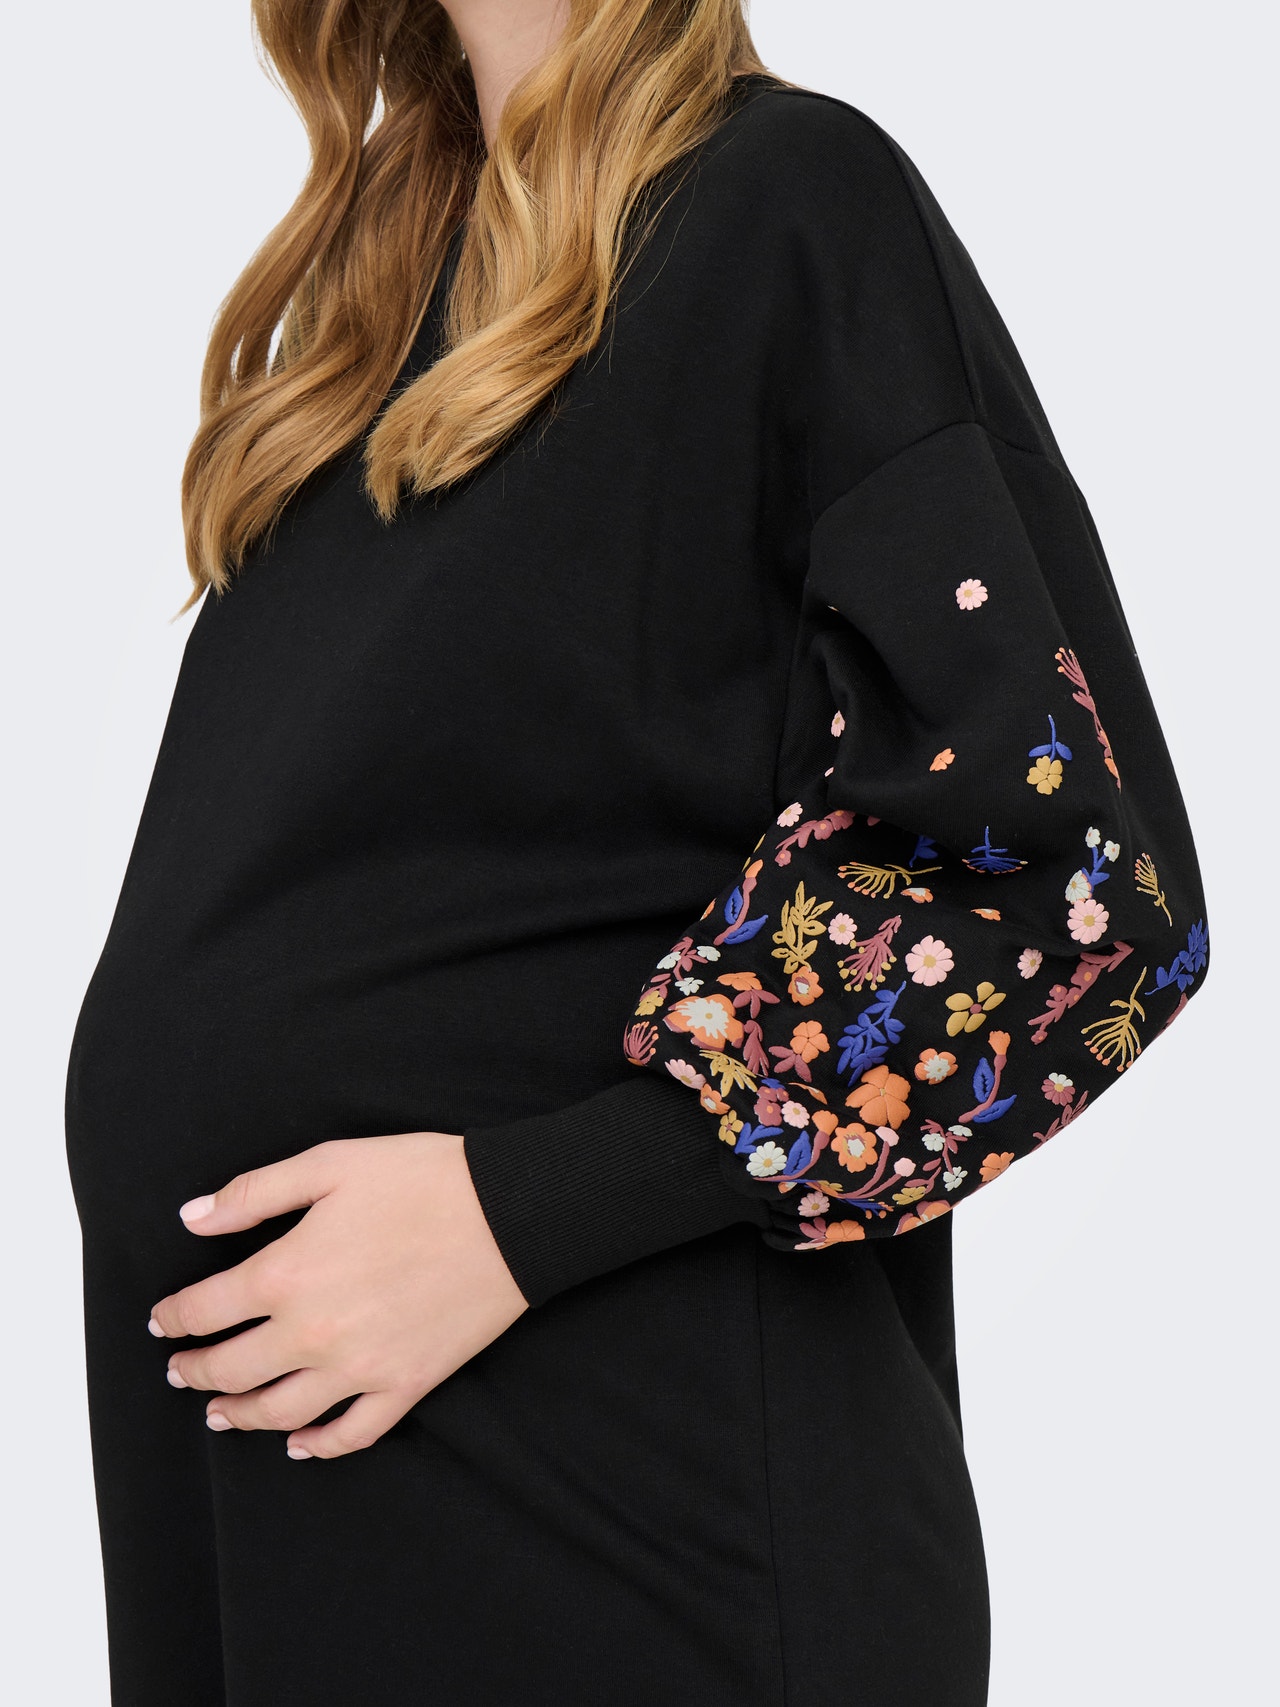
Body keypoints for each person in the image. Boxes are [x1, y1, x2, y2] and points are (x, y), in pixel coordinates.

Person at [64, 2, 1209, 1702]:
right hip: (286, 1523)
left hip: (623, 1508)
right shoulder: (374, 299)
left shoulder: (789, 202)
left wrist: (524, 1215)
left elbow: (1075, 881)